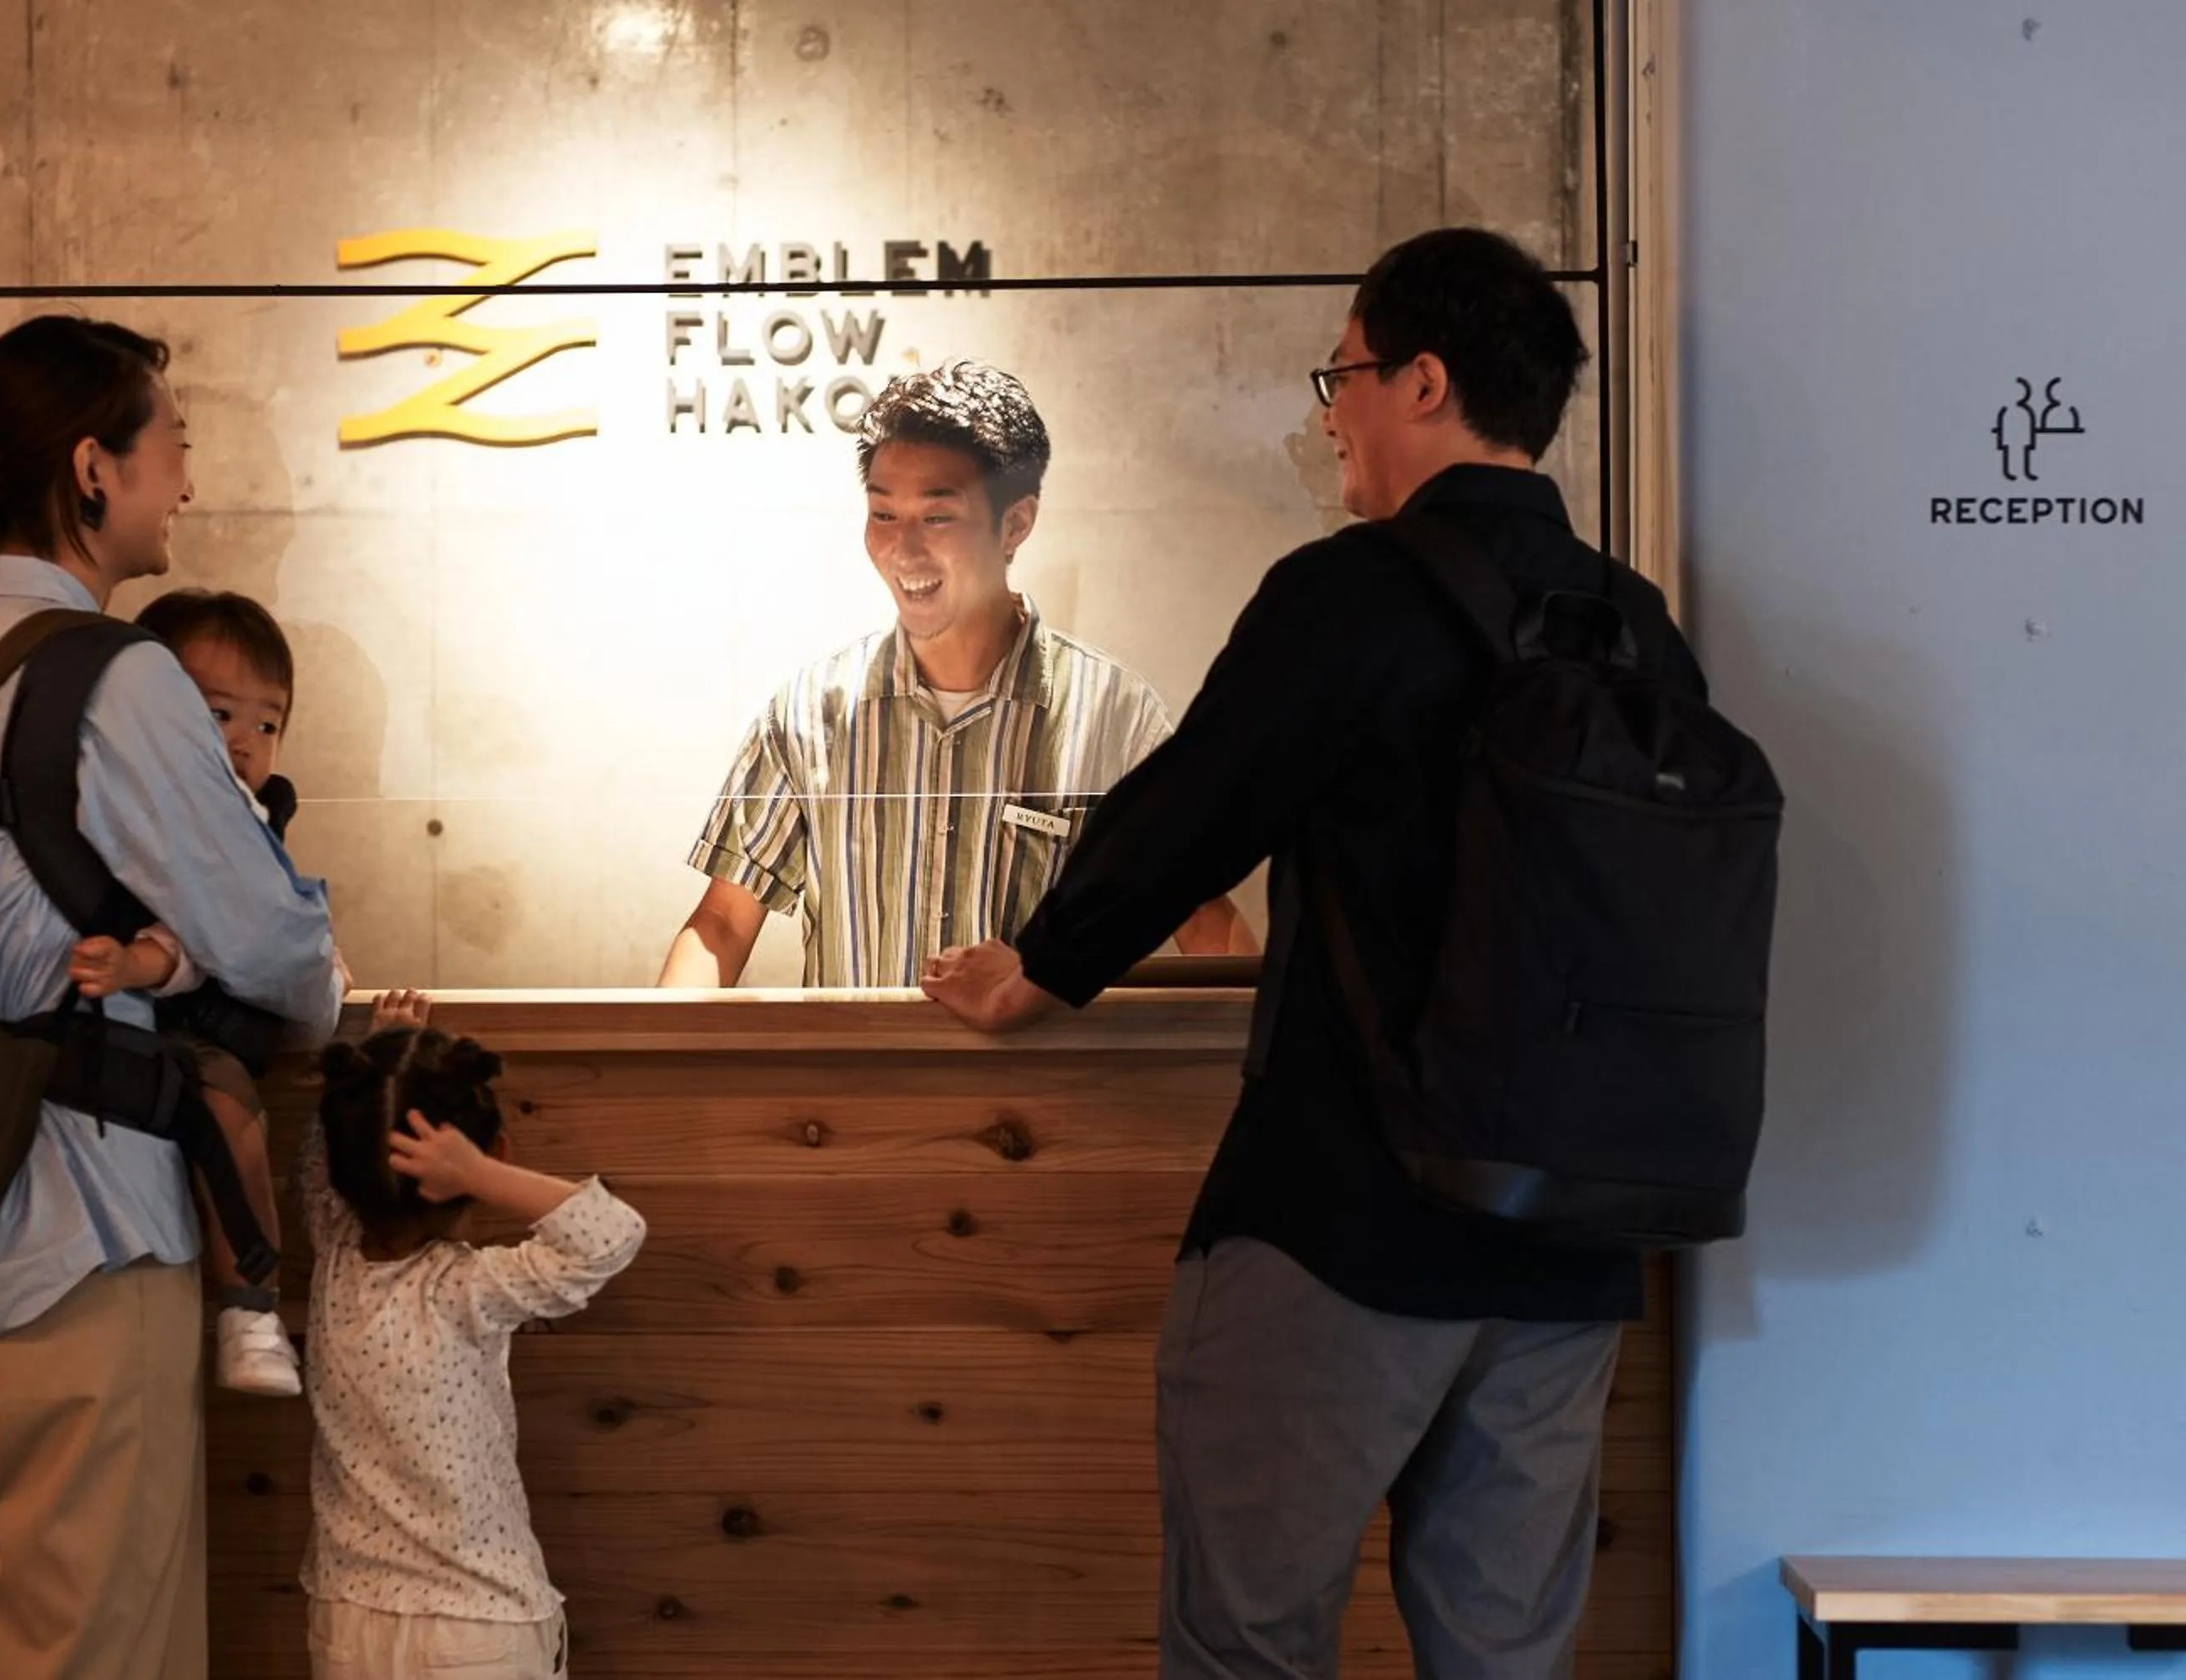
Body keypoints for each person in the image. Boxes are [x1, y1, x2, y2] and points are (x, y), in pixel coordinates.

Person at [922, 228, 1707, 1679]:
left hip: (1348, 1214)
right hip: (1572, 1247)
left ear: (1423, 380)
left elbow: (1202, 798)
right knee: (1506, 1661)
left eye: (1341, 373)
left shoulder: (1357, 592)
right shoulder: (1636, 629)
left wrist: (1044, 961)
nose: (1328, 410)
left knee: (1250, 1647)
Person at [0, 314, 346, 1679]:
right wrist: (302, 982)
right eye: (174, 447)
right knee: (94, 1654)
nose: (188, 483)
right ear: (95, 466)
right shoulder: (116, 678)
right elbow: (276, 950)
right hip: (72, 1236)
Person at [658, 359, 1253, 990]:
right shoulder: (809, 712)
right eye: (884, 515)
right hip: (858, 1088)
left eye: (938, 517)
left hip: (1036, 1089)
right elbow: (722, 923)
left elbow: (1204, 921)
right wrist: (654, 1072)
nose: (904, 550)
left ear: (1016, 523)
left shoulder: (1114, 715)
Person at [301, 992, 647, 1680]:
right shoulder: (468, 1292)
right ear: (497, 1149)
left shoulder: (334, 1258)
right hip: (476, 1623)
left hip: (348, 1618)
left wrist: (382, 1059)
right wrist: (479, 1172)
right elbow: (613, 1233)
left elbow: (324, 1162)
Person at [66, 588, 327, 1397]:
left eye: (267, 724)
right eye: (217, 715)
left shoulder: (250, 814)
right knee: (226, 1117)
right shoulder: (129, 794)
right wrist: (143, 964)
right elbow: (210, 923)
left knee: (235, 1118)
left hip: (193, 1020)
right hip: (127, 1026)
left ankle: (251, 1305)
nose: (244, 743)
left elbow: (249, 929)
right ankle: (251, 1309)